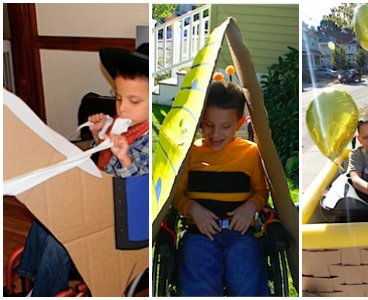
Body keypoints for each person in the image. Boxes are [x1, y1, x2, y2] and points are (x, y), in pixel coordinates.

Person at [16, 43, 150, 296]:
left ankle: (45, 292)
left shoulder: (150, 139)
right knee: (47, 215)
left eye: (134, 101)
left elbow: (139, 190)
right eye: (119, 98)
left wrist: (126, 160)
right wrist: (100, 138)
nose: (122, 108)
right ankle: (34, 284)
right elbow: (104, 164)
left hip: (127, 221)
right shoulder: (125, 125)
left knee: (63, 239)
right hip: (105, 204)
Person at [172, 80, 269, 296]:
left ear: (240, 123)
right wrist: (194, 210)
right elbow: (176, 196)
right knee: (200, 284)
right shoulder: (190, 153)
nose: (215, 134)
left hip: (241, 233)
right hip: (199, 234)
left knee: (246, 281)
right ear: (200, 121)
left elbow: (262, 192)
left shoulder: (251, 153)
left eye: (225, 127)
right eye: (208, 125)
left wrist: (250, 207)